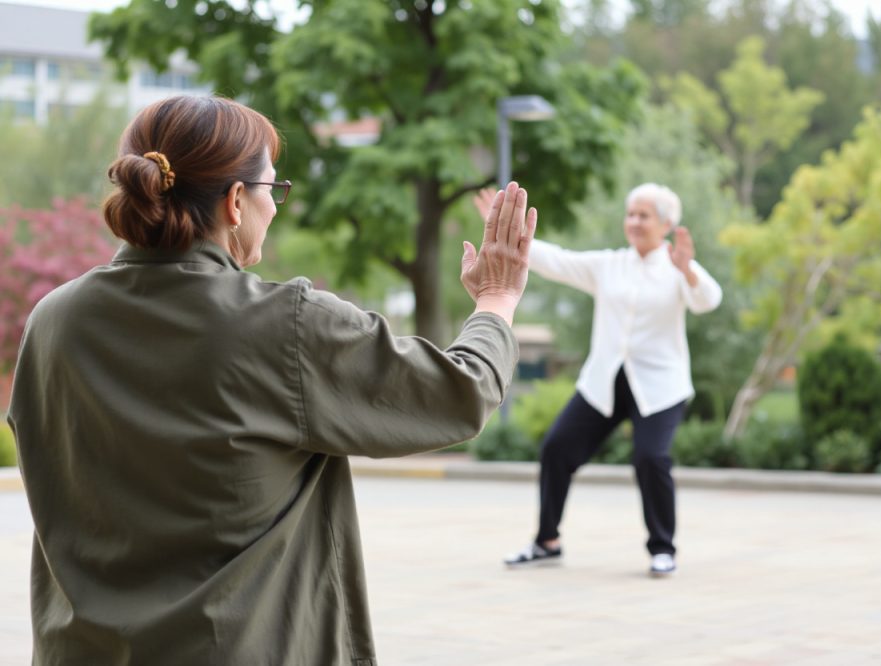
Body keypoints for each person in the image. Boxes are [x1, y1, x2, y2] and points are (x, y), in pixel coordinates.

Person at [7, 95, 537, 665]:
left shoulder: (53, 321)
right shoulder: (284, 326)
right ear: (236, 201)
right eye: (273, 189)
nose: (275, 207)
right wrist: (497, 298)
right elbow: (459, 393)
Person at [474, 183, 722, 577]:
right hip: (603, 382)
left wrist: (688, 270)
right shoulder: (610, 265)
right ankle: (546, 542)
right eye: (631, 214)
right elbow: (557, 260)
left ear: (666, 224)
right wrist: (511, 232)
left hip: (660, 388)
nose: (634, 221)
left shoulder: (678, 267)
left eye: (644, 215)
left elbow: (708, 300)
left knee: (651, 458)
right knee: (556, 448)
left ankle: (663, 549)